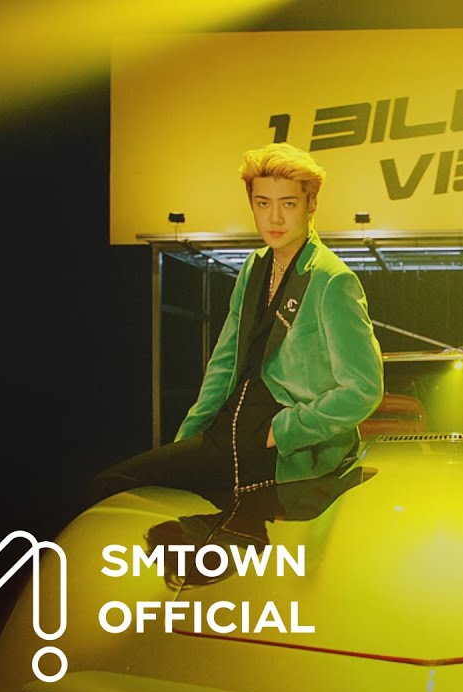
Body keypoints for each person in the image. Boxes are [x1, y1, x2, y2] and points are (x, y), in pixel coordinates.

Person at [92, 142, 383, 546]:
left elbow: (364, 389)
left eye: (288, 204)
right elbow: (225, 361)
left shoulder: (332, 280)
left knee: (114, 485)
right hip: (227, 428)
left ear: (311, 204)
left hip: (276, 445)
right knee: (123, 489)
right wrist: (189, 435)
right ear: (252, 204)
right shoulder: (255, 266)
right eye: (263, 204)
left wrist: (285, 430)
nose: (275, 218)